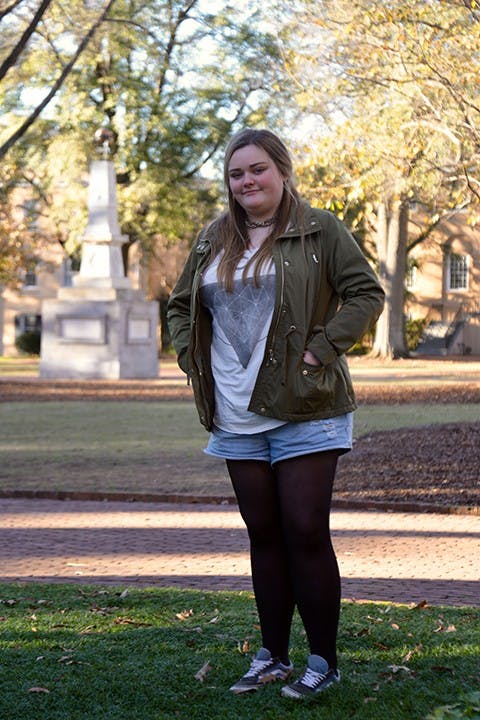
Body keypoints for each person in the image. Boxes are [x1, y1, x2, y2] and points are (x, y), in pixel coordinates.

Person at [167, 128, 385, 701]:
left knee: (305, 531)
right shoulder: (212, 238)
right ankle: (272, 656)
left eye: (257, 169)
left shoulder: (320, 229)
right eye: (236, 173)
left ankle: (323, 661)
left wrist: (321, 348)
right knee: (263, 535)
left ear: (282, 171)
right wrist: (192, 358)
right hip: (235, 412)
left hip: (306, 407)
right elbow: (180, 306)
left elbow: (365, 293)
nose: (247, 182)